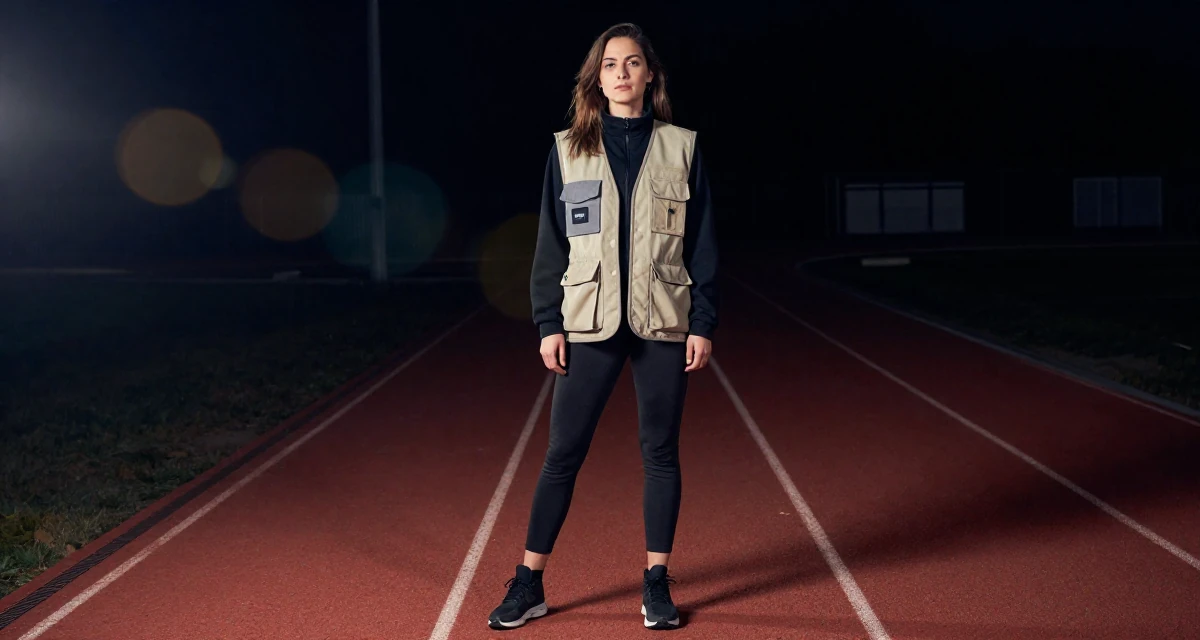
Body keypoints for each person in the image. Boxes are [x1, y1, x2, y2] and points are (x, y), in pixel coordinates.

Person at [487, 22, 719, 631]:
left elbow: (702, 244)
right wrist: (547, 323)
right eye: (610, 64)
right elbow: (550, 243)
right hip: (588, 322)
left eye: (633, 62)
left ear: (650, 75)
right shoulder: (568, 149)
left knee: (660, 453)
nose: (621, 72)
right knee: (562, 453)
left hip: (662, 320)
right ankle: (530, 582)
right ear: (597, 78)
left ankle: (656, 583)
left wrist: (703, 321)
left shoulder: (682, 147)